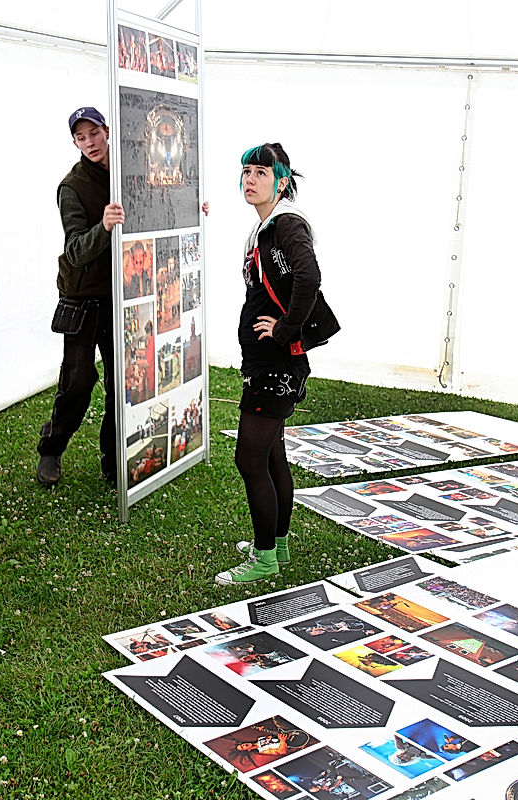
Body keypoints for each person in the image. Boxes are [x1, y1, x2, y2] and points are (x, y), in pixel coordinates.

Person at [216, 143, 320, 585]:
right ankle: (278, 542)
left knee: (250, 458)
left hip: (276, 364)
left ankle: (264, 558)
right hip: (267, 361)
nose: (250, 179)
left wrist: (284, 328)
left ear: (281, 181)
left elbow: (309, 276)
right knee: (274, 454)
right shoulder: (266, 227)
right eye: (246, 172)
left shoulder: (286, 225)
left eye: (260, 172)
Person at [36, 106, 125, 487]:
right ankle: (50, 450)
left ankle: (114, 459)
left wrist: (194, 207)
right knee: (77, 382)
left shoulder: (128, 171)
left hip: (123, 294)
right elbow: (74, 250)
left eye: (93, 133)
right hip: (83, 296)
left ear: (107, 131)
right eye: (80, 137)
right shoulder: (71, 187)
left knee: (122, 383)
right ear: (75, 141)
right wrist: (103, 226)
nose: (89, 142)